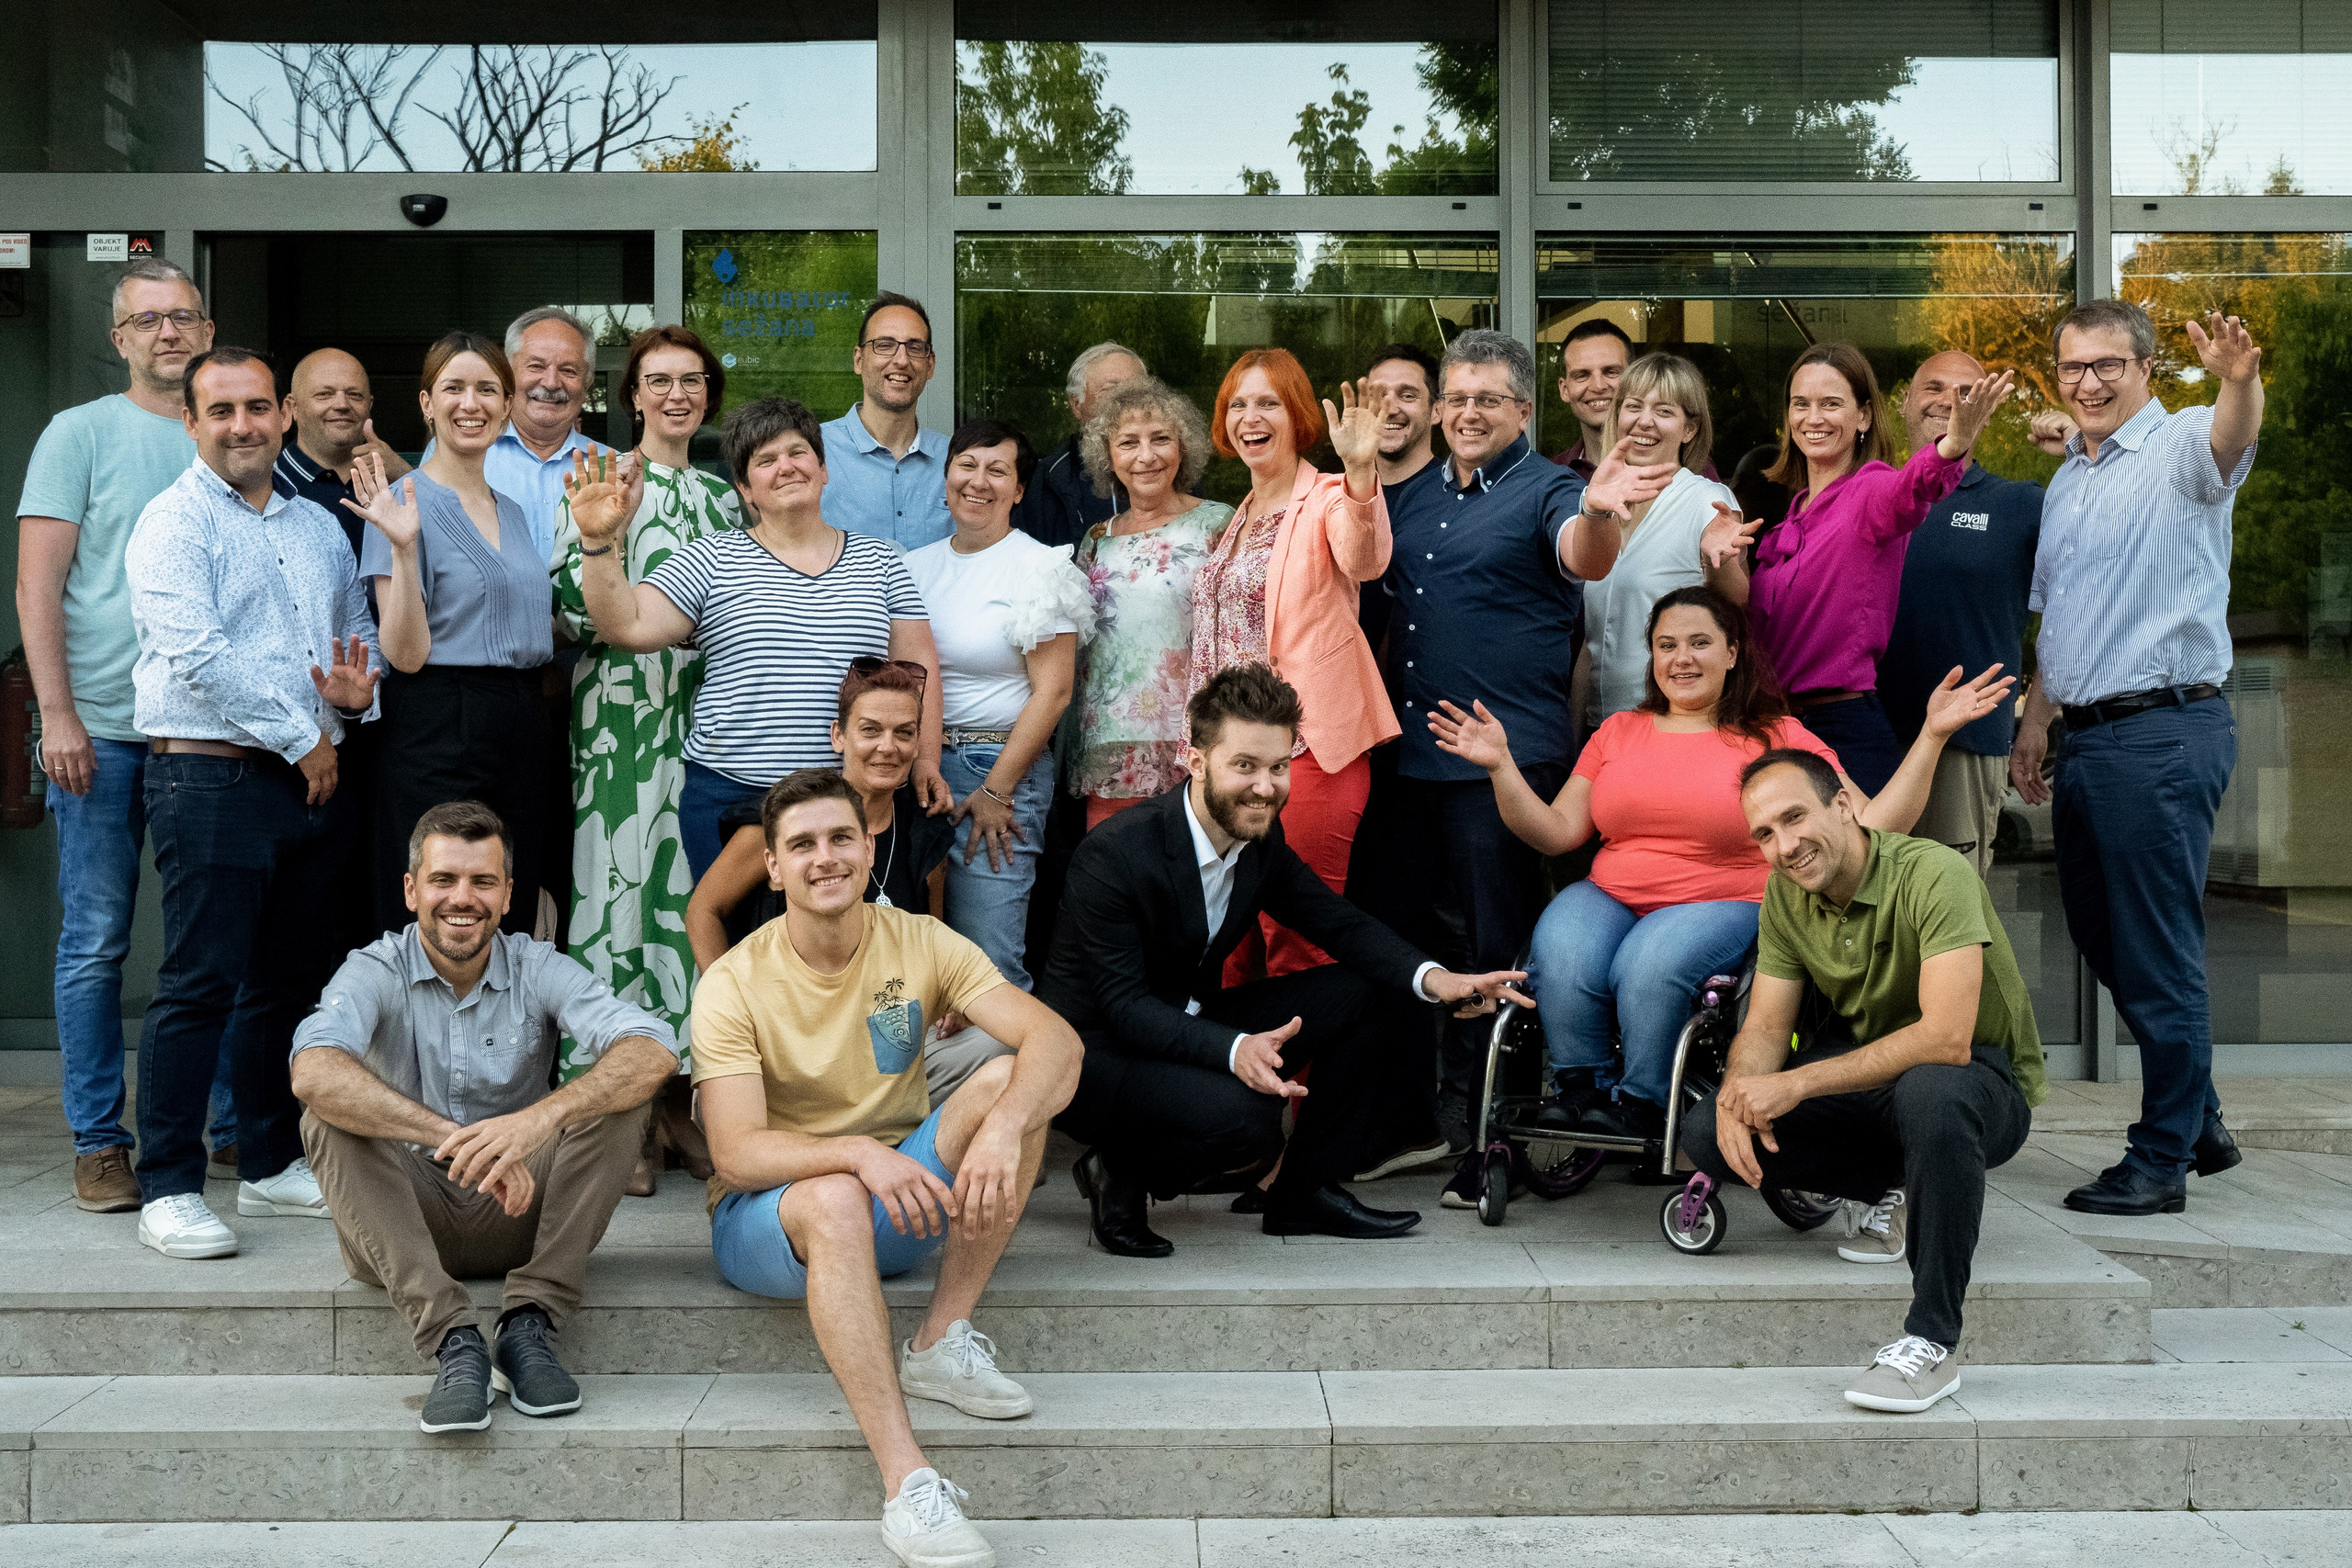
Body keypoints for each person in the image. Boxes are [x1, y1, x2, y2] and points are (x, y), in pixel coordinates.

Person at [1430, 585, 2011, 1144]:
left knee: (1651, 959)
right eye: (1666, 645)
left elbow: (1875, 825)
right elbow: (1555, 833)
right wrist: (1501, 766)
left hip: (1730, 901)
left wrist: (1933, 735)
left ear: (1733, 653)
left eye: (1699, 642)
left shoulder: (1777, 736)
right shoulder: (1617, 731)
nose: (1681, 658)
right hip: (1612, 893)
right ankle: (1581, 1092)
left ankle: (1642, 1103)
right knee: (1558, 945)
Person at [692, 768, 1082, 1568]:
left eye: (841, 837)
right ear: (772, 867)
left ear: (869, 847)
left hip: (895, 1198)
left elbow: (1060, 1043)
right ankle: (908, 1485)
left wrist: (1006, 1126)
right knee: (833, 1194)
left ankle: (939, 1340)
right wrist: (859, 1153)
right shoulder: (732, 980)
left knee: (1016, 1080)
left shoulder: (919, 939)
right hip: (771, 1217)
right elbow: (735, 1151)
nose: (825, 857)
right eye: (801, 844)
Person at [1040, 664, 1532, 1256]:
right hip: (1095, 1056)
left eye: (1278, 767)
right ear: (1194, 760)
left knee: (1373, 988)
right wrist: (1233, 1048)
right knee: (1246, 1123)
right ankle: (1119, 1168)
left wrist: (1441, 979)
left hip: (1187, 1020)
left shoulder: (1258, 840)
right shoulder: (1116, 854)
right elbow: (1123, 1008)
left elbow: (1341, 926)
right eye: (1244, 765)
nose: (1265, 787)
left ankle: (1305, 1191)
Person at [1376, 328, 1676, 1187]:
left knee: (1495, 952)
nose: (1468, 413)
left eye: (1487, 399)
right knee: (1413, 953)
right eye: (1456, 399)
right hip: (1409, 764)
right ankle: (1419, 1123)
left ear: (1521, 410)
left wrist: (1601, 511)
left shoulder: (1555, 490)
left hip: (1500, 768)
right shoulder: (1414, 494)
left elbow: (1582, 554)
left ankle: (1491, 1141)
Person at [290, 802, 678, 1434]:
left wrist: (538, 1120)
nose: (462, 898)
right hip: (403, 1218)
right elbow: (312, 1070)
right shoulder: (374, 967)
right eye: (444, 880)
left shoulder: (538, 963)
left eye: (482, 881)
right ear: (412, 888)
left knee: (624, 1093)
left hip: (520, 1210)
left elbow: (653, 1048)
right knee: (327, 1116)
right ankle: (454, 1340)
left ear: (507, 894)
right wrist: (449, 1136)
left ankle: (530, 1319)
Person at [1679, 749, 2044, 1414]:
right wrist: (1739, 1093)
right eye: (1764, 833)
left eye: (1795, 817)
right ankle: (1906, 1182)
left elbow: (1946, 1036)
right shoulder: (1788, 896)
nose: (1784, 846)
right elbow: (1764, 1027)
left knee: (1932, 1090)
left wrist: (1797, 1084)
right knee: (1707, 1130)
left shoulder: (1932, 872)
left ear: (1843, 804)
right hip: (1880, 1087)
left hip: (1979, 1081)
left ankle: (1932, 1341)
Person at [120, 345, 381, 1259]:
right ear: (192, 422)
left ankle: (270, 1164)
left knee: (285, 987)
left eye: (257, 408)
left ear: (282, 417)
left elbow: (356, 630)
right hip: (210, 777)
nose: (243, 425)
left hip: (310, 784)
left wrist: (360, 696)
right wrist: (303, 734)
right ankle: (168, 1186)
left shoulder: (313, 525)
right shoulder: (172, 522)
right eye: (222, 410)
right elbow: (197, 651)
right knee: (198, 985)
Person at [2011, 302, 2263, 1217]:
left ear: (2147, 369)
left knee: (2158, 956)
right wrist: (2036, 716)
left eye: (2108, 364)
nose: (2089, 382)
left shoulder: (2183, 446)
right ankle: (2196, 1114)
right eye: (2073, 367)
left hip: (2162, 729)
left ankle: (2160, 1161)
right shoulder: (2070, 479)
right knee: (2103, 936)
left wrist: (2238, 378)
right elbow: (2066, 614)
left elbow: (2232, 434)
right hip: (2086, 735)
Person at [16, 256, 212, 1214]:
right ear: (120, 338)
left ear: (207, 331)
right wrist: (56, 715)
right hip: (97, 730)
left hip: (206, 738)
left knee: (204, 941)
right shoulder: (78, 435)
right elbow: (36, 586)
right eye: (147, 320)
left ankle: (207, 1124)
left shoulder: (232, 430)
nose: (166, 332)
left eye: (182, 317)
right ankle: (101, 1142)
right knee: (93, 941)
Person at [564, 397, 945, 882]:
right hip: (730, 798)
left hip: (846, 802)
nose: (785, 467)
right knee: (739, 951)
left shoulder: (881, 561)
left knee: (841, 951)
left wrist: (926, 760)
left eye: (797, 452)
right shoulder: (709, 559)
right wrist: (599, 541)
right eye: (765, 461)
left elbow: (919, 666)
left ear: (823, 469)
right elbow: (628, 627)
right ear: (745, 488)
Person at [548, 326, 741, 1053]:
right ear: (633, 395)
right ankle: (617, 1099)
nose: (676, 394)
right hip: (621, 715)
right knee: (619, 888)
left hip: (705, 713)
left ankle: (690, 1085)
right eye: (658, 380)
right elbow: (567, 608)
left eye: (691, 381)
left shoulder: (727, 499)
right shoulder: (600, 476)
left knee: (691, 890)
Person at [1189, 348, 1395, 980]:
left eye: (1268, 402)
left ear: (1298, 414)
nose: (1251, 416)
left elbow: (1366, 558)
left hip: (1309, 754)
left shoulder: (1331, 497)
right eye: (1239, 405)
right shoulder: (1236, 519)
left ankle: (1302, 1081)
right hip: (1230, 755)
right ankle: (1235, 1078)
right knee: (1228, 939)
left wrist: (1361, 470)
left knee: (1298, 940)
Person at [1732, 344, 2015, 795]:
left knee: (1860, 865)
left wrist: (1953, 446)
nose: (1813, 417)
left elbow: (1914, 487)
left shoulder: (1871, 489)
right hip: (1772, 728)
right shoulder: (1791, 515)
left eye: (1831, 404)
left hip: (1840, 728)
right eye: (1800, 404)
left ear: (1863, 416)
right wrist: (1720, 558)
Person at [348, 333, 558, 939]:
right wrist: (406, 548)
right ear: (426, 402)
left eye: (488, 389)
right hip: (439, 721)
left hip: (521, 721)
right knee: (437, 898)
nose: (472, 403)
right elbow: (405, 654)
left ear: (508, 403)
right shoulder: (399, 502)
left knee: (508, 899)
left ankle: (500, 1036)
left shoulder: (512, 510)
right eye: (455, 388)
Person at [904, 421, 1091, 989]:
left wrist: (996, 790)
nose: (977, 481)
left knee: (987, 965)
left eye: (997, 470)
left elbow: (1054, 691)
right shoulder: (913, 567)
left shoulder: (1041, 569)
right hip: (916, 774)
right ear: (945, 477)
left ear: (1018, 490)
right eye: (966, 464)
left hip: (996, 773)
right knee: (917, 956)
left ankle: (1016, 1074)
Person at [1878, 351, 2046, 874]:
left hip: (1962, 745)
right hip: (1858, 736)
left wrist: (2035, 719)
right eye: (1933, 387)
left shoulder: (2020, 504)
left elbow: (2082, 611)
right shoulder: (1865, 493)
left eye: (1968, 392)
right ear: (1905, 400)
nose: (1949, 400)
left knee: (1946, 917)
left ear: (1989, 410)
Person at [1069, 379, 1230, 827]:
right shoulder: (1097, 538)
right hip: (1108, 741)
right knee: (1113, 877)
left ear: (1184, 447)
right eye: (1128, 443)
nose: (1146, 455)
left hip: (1192, 736)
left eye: (1161, 438)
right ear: (1109, 457)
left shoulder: (1218, 523)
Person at [1577, 352, 1754, 731]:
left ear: (1689, 429)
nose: (1644, 421)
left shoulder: (1705, 499)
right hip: (1601, 728)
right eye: (1634, 406)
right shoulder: (1594, 501)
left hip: (1673, 724)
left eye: (1664, 411)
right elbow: (1589, 648)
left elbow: (1737, 601)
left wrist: (1713, 561)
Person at [471, 306, 610, 562]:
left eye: (569, 370)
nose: (551, 382)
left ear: (588, 381)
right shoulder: (462, 454)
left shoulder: (610, 466)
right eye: (536, 366)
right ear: (506, 373)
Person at [820, 292, 952, 552]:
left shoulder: (957, 460)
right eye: (884, 345)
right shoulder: (813, 453)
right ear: (859, 360)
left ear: (930, 365)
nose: (901, 360)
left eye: (915, 347)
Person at [274, 348, 413, 552]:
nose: (341, 404)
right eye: (324, 394)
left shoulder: (394, 478)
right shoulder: (270, 481)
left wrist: (406, 476)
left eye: (355, 395)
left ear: (369, 405)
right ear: (292, 407)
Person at [1015, 341, 1148, 548]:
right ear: (1077, 405)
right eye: (1111, 390)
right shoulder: (1041, 483)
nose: (1127, 401)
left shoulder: (1170, 470)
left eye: (1137, 390)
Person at [1550, 318, 1634, 477]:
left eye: (1611, 372)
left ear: (1635, 379)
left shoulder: (1677, 475)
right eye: (1582, 375)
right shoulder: (1548, 479)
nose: (1598, 386)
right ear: (1564, 390)